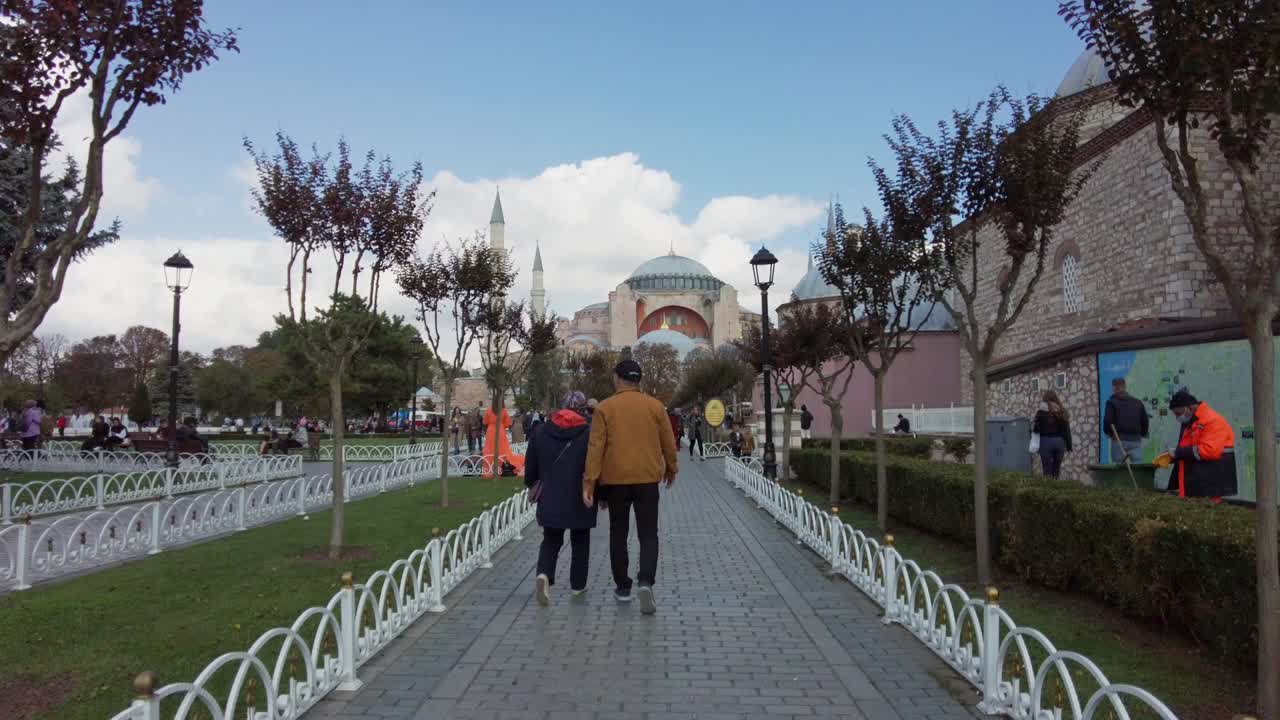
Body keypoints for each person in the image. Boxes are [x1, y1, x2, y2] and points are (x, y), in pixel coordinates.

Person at [583, 360, 678, 614]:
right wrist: (671, 468)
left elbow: (596, 449)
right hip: (647, 479)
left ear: (617, 379)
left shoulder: (605, 408)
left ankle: (623, 587)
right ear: (639, 381)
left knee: (618, 533)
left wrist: (590, 482)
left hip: (615, 481)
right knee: (648, 534)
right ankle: (646, 580)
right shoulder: (655, 407)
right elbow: (669, 442)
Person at [526, 391, 597, 605]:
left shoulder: (540, 432)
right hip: (580, 496)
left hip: (551, 495)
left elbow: (531, 468)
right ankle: (578, 585)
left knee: (551, 539)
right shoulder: (590, 433)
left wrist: (533, 484)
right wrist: (599, 493)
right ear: (583, 410)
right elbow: (595, 466)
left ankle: (544, 574)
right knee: (580, 541)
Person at [1165, 389, 1237, 500]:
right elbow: (1188, 449)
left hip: (1210, 483)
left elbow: (1210, 451)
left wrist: (1178, 453)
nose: (1177, 418)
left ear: (1188, 408)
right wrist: (1172, 456)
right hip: (1198, 484)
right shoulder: (1192, 421)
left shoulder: (1212, 421)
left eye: (1178, 413)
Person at [1103, 377, 1149, 463]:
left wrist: (1108, 432)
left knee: (1119, 468)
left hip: (1118, 440)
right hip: (1135, 440)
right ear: (1125, 386)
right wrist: (1142, 433)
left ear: (1113, 388)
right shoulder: (1137, 402)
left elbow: (1107, 421)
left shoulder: (1111, 403)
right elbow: (1145, 421)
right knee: (1137, 467)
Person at [1032, 391, 1072, 479]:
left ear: (1044, 399)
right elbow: (1067, 430)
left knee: (1047, 471)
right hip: (1059, 443)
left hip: (1045, 442)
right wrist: (1069, 446)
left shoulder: (1041, 412)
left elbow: (1036, 429)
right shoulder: (1062, 411)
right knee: (1056, 470)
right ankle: (1055, 488)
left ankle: (1048, 490)